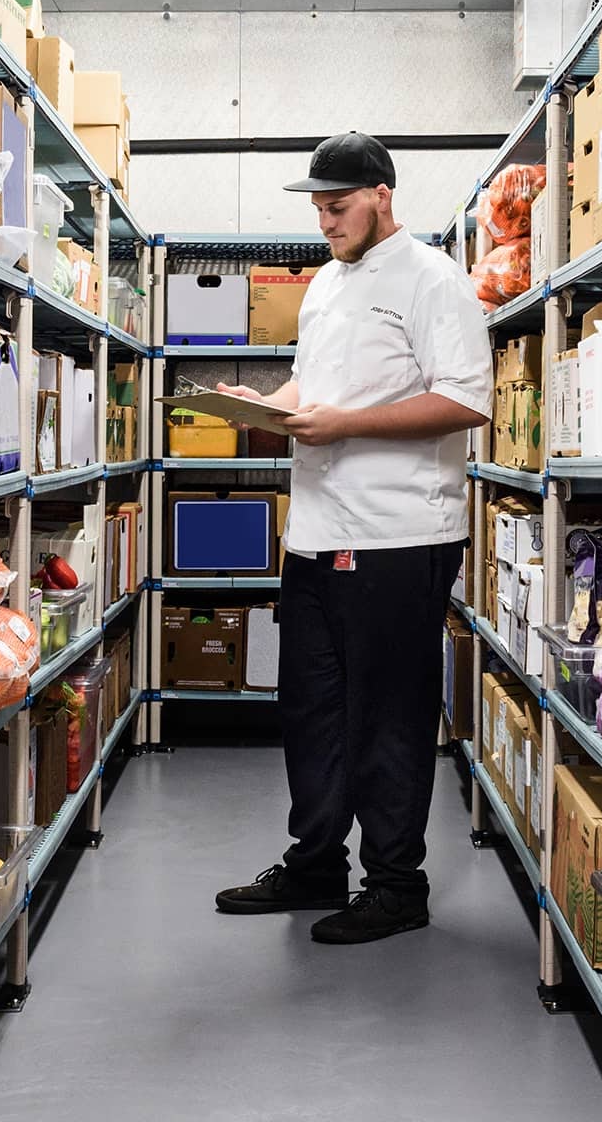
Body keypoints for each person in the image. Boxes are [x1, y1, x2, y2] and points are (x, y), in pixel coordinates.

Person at [211, 132, 493, 944]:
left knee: (389, 718)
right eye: (317, 209)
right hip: (316, 534)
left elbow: (467, 399)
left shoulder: (435, 280)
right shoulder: (328, 284)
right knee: (312, 711)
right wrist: (267, 406)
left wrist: (344, 426)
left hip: (400, 537)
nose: (325, 222)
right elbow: (316, 385)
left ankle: (398, 886)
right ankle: (315, 866)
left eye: (337, 207)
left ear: (381, 194)